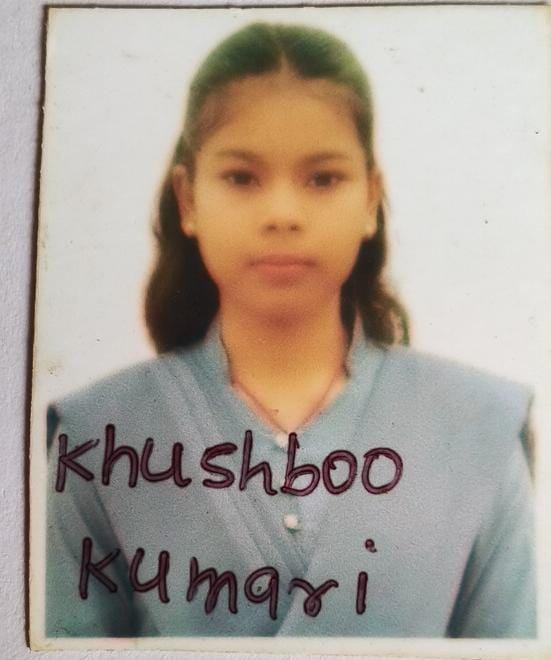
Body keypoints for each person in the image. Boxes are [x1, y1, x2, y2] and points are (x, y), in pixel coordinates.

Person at [45, 21, 536, 638]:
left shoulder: (476, 431)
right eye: (242, 177)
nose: (282, 213)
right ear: (188, 199)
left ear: (370, 199)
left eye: (322, 178)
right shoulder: (98, 438)